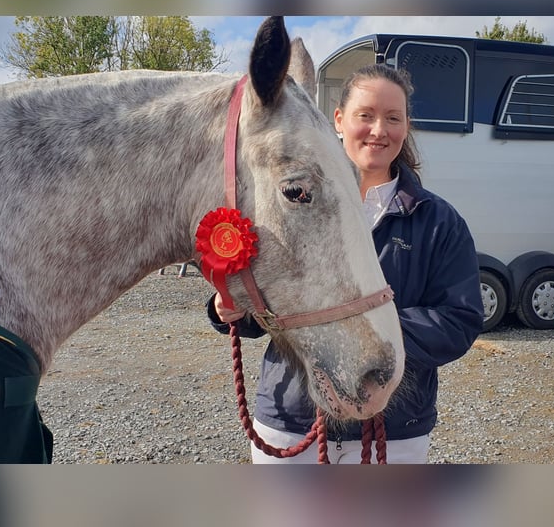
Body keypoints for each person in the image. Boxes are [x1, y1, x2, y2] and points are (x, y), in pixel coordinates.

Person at [206, 64, 484, 463]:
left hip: (395, 426)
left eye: (393, 118)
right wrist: (231, 311)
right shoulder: (292, 203)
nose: (378, 130)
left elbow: (459, 320)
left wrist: (363, 334)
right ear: (338, 120)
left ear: (406, 127)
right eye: (365, 116)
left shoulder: (438, 221)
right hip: (292, 419)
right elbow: (265, 298)